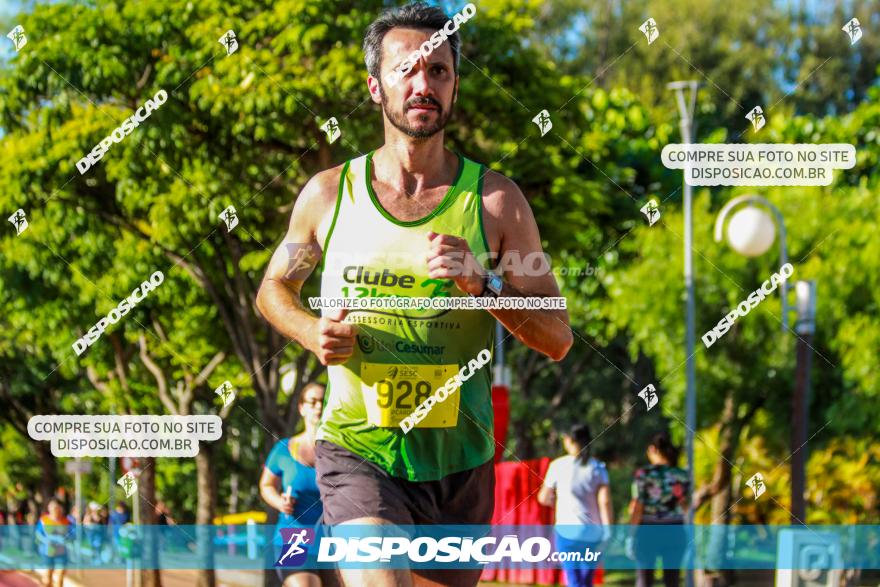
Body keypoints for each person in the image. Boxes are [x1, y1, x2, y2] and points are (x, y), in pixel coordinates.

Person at [255, 2, 573, 585]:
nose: (424, 84)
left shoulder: (497, 204)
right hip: (358, 449)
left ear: (454, 88)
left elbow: (556, 337)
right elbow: (275, 287)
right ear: (376, 87)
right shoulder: (329, 195)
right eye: (408, 69)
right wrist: (308, 330)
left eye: (440, 72)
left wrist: (484, 284)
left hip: (461, 464)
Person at [259, 383, 326, 587]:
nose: (318, 407)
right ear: (301, 408)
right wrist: (280, 503)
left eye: (324, 401)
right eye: (313, 402)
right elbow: (266, 485)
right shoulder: (284, 448)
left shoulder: (343, 451)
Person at [538, 424, 613, 587]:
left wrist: (558, 502)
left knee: (574, 580)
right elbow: (604, 501)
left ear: (570, 440)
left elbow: (543, 497)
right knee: (587, 580)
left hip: (566, 532)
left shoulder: (558, 465)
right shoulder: (598, 468)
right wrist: (608, 530)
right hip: (593, 532)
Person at [628, 432, 690, 587]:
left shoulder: (644, 474)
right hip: (675, 531)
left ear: (652, 449)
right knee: (672, 580)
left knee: (644, 580)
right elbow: (687, 507)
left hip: (648, 532)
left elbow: (638, 507)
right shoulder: (682, 475)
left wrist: (630, 536)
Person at [35, 499, 71, 587]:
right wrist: (45, 540)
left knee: (60, 577)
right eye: (52, 507)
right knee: (47, 578)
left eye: (56, 507)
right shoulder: (44, 520)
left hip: (61, 553)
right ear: (49, 508)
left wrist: (67, 538)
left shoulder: (66, 521)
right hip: (48, 552)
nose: (54, 509)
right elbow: (38, 534)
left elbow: (72, 535)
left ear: (60, 508)